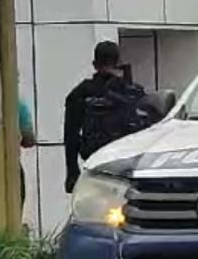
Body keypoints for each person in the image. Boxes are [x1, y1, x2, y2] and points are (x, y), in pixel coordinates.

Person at [63, 41, 147, 193]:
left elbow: (71, 135)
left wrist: (72, 171)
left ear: (94, 64)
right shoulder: (134, 91)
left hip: (101, 162)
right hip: (123, 163)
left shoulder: (83, 92)